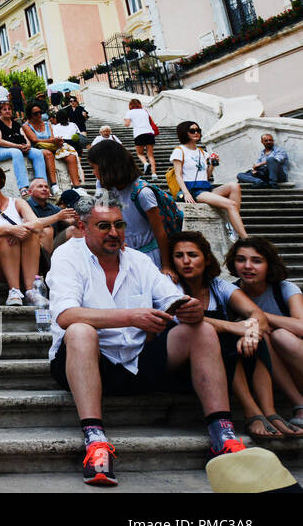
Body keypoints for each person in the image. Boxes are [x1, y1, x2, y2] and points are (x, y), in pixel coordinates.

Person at [48, 191, 245, 487]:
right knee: (79, 329)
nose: (115, 233)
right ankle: (95, 441)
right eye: (104, 226)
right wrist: (131, 316)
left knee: (201, 329)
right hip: (84, 362)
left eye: (120, 225)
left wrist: (188, 309)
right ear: (83, 228)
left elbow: (171, 299)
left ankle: (222, 432)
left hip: (137, 360)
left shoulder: (138, 260)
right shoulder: (66, 255)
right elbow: (65, 314)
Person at [170, 233, 301, 438]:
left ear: (207, 258)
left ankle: (270, 411)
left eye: (192, 255)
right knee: (218, 337)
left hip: (262, 360)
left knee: (262, 335)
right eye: (179, 256)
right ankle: (253, 412)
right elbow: (184, 318)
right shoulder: (170, 286)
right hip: (190, 364)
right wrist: (235, 327)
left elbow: (258, 316)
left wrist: (249, 331)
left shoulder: (219, 286)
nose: (186, 261)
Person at [227, 236, 303, 430]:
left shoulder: (284, 288)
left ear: (270, 264)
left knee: (280, 335)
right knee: (264, 335)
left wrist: (261, 316)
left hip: (295, 361)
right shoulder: (230, 292)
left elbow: (301, 327)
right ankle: (299, 403)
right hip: (263, 368)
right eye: (241, 259)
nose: (247, 266)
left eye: (257, 260)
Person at [0, 165, 70, 306]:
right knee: (5, 235)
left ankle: (31, 291)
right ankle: (14, 291)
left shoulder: (18, 202)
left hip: (19, 260)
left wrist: (20, 228)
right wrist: (10, 230)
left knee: (30, 233)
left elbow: (36, 224)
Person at [88, 138, 172, 280]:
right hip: (120, 253)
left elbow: (160, 232)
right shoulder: (102, 186)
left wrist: (167, 266)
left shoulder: (142, 193)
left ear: (105, 167)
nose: (93, 172)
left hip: (148, 256)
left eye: (94, 167)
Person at [171, 120, 247, 239]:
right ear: (184, 133)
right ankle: (244, 237)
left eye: (198, 130)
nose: (196, 133)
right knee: (230, 204)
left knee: (234, 186)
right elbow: (178, 175)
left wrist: (212, 165)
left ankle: (233, 223)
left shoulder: (202, 152)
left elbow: (206, 176)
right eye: (192, 131)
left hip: (206, 188)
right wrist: (186, 193)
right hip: (193, 190)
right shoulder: (179, 151)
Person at [0, 100, 46, 196]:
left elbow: (25, 137)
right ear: (0, 112)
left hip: (18, 148)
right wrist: (18, 146)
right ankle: (23, 187)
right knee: (16, 152)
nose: (7, 111)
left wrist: (27, 145)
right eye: (4, 109)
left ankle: (41, 184)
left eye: (9, 109)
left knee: (37, 153)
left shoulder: (16, 124)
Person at [23, 103, 81, 189]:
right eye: (35, 113)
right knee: (48, 154)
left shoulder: (47, 124)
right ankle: (54, 185)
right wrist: (52, 141)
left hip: (51, 146)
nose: (39, 115)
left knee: (71, 157)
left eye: (40, 112)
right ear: (29, 115)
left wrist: (56, 141)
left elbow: (51, 137)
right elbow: (34, 140)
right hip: (37, 148)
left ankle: (77, 186)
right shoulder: (26, 126)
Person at [122, 97, 158, 179]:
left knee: (140, 153)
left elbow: (127, 124)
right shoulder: (144, 111)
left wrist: (125, 121)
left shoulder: (130, 112)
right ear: (139, 104)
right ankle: (154, 174)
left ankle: (145, 163)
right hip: (149, 133)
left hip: (139, 134)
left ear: (130, 105)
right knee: (150, 155)